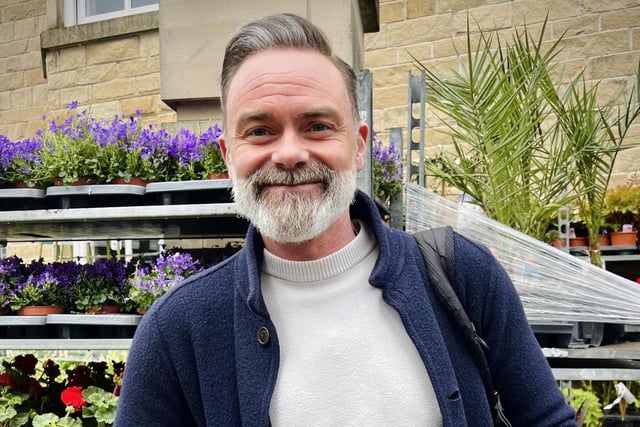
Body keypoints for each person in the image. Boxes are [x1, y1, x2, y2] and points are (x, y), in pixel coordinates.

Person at [115, 13, 577, 426]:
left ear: (357, 147)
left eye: (317, 125)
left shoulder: (463, 276)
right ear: (229, 155)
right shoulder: (177, 330)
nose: (291, 153)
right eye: (260, 131)